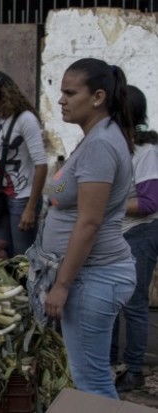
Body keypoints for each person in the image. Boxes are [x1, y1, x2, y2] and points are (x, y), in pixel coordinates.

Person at [42, 58, 136, 399]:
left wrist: (62, 285)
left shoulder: (99, 144)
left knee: (91, 383)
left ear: (97, 97)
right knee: (89, 377)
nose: (62, 100)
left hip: (93, 277)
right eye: (61, 91)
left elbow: (90, 222)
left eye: (70, 92)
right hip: (93, 275)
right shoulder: (99, 135)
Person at [109, 85, 158, 392]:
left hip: (137, 233)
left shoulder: (145, 152)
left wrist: (100, 204)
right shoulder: (96, 143)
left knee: (134, 302)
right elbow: (63, 181)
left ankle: (134, 368)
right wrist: (56, 196)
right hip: (108, 234)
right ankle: (108, 363)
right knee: (108, 299)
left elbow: (149, 203)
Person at [0, 69, 47, 257]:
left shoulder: (26, 120)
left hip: (22, 197)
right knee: (0, 250)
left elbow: (41, 165)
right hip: (2, 194)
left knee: (21, 256)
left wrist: (31, 208)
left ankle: (25, 287)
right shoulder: (1, 118)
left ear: (4, 98)